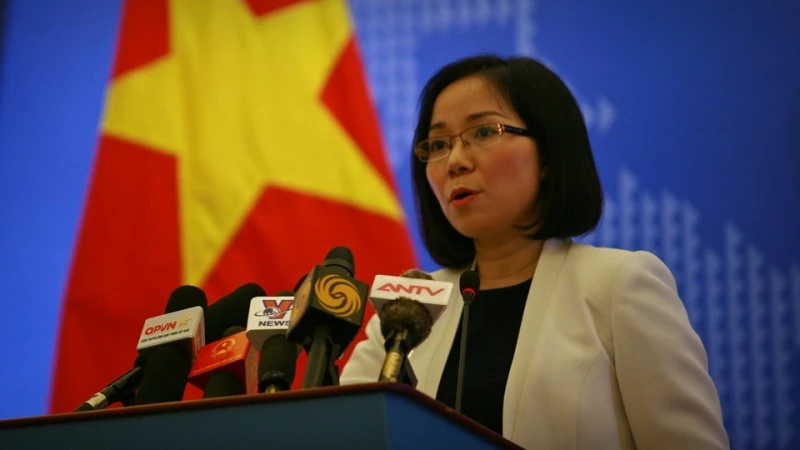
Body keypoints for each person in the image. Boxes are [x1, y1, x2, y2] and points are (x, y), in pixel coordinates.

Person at [339, 54, 729, 450]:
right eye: (438, 144)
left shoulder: (618, 286)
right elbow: (345, 432)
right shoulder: (410, 307)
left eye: (483, 132)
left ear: (548, 154)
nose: (454, 161)